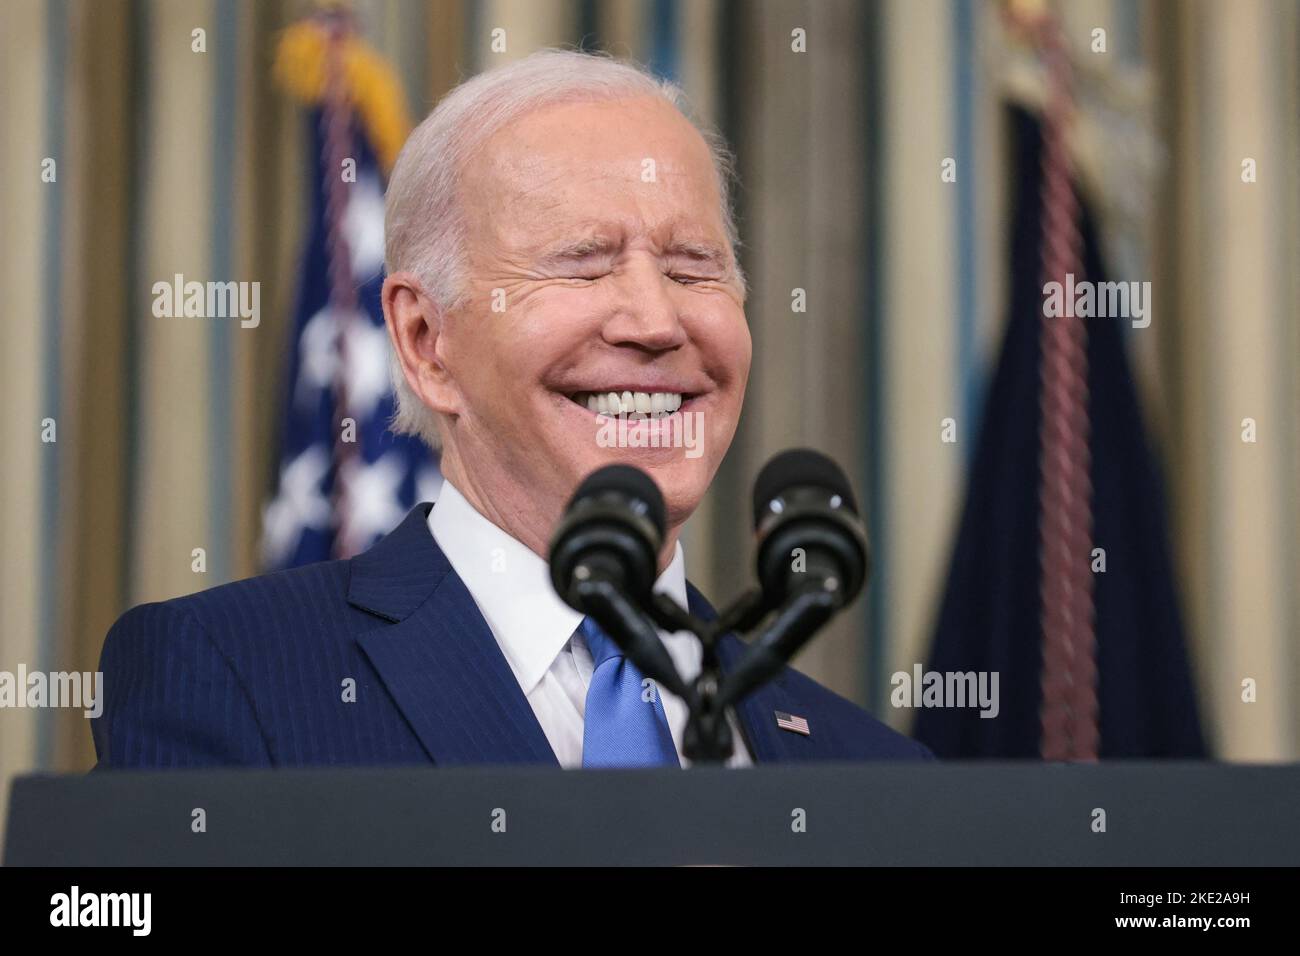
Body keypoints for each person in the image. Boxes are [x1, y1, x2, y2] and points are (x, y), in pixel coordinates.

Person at [93, 49, 931, 769]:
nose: (655, 321)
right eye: (582, 264)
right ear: (426, 343)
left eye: (692, 267)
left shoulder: (877, 770)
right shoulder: (230, 679)